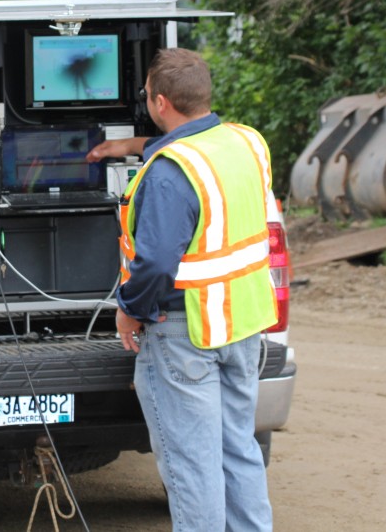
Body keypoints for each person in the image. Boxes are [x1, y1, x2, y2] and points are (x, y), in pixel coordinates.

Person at [88, 48, 278, 531]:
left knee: (191, 466)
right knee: (239, 450)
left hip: (184, 333)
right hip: (242, 324)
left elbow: (153, 264)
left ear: (159, 102)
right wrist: (127, 147)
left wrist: (128, 310)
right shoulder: (247, 143)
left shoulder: (172, 171)